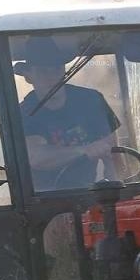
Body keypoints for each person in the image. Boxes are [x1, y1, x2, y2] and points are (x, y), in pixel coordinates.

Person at [14, 36, 119, 191]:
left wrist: (118, 191)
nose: (51, 77)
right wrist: (85, 150)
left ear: (63, 70)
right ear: (28, 76)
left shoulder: (92, 100)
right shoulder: (23, 112)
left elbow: (112, 152)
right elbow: (36, 157)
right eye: (43, 71)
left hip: (90, 192)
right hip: (42, 199)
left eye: (56, 68)